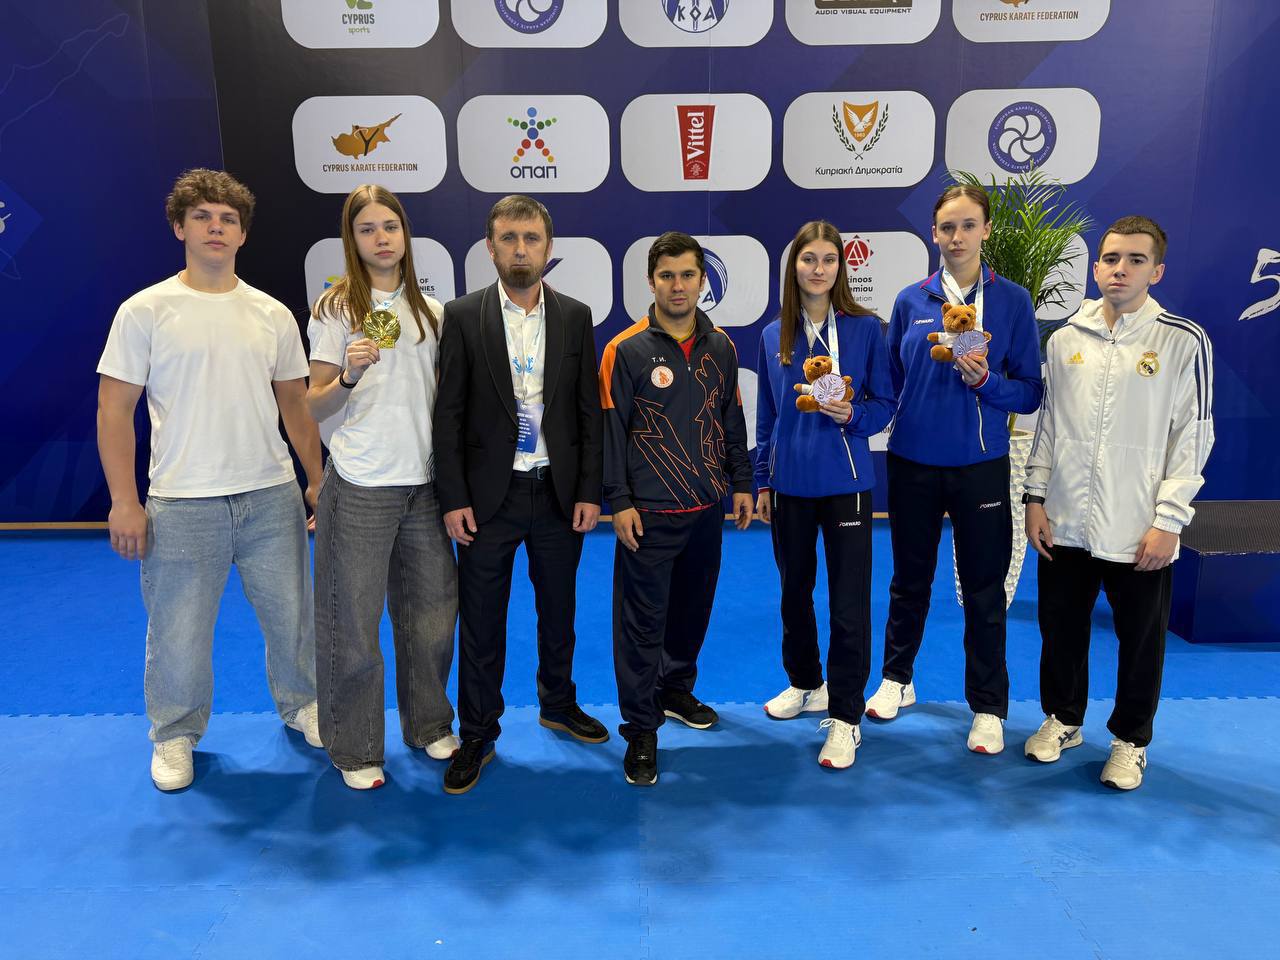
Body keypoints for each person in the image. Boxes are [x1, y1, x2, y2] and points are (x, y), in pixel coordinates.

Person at [96, 168, 323, 791]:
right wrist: (123, 500)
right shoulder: (144, 311)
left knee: (292, 617)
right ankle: (174, 733)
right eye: (202, 217)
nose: (215, 228)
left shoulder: (271, 314)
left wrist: (315, 477)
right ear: (180, 227)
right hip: (181, 500)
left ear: (243, 234)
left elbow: (296, 405)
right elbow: (114, 410)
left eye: (227, 219)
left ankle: (304, 703)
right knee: (178, 631)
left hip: (270, 494)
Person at [1022, 216, 1213, 790]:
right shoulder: (1065, 338)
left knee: (1141, 641)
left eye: (1135, 260)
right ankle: (1064, 719)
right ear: (1095, 266)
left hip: (1139, 526)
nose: (1119, 270)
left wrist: (1169, 520)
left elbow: (1193, 436)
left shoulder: (1182, 340)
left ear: (1157, 271)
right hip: (1066, 520)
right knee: (1060, 629)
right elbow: (1048, 427)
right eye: (1110, 258)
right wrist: (1035, 496)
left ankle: (1131, 740)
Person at [433, 194, 606, 795]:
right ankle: (478, 732)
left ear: (548, 247)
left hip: (557, 491)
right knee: (482, 622)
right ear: (490, 248)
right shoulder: (462, 315)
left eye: (531, 238)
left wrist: (590, 490)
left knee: (559, 612)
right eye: (508, 238)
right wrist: (453, 497)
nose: (520, 249)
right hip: (488, 497)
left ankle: (558, 703)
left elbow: (588, 412)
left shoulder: (576, 316)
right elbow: (448, 414)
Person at [870, 185, 1043, 754]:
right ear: (934, 233)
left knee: (984, 589)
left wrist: (987, 382)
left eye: (969, 225)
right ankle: (897, 679)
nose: (958, 236)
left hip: (981, 467)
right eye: (948, 227)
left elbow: (1030, 392)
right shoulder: (910, 300)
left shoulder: (1012, 301)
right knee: (908, 580)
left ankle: (988, 706)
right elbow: (890, 385)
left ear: (986, 230)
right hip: (913, 464)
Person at [305, 185, 458, 790]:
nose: (381, 238)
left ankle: (429, 723)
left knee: (432, 619)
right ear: (352, 239)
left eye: (389, 226)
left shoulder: (431, 311)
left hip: (423, 485)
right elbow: (314, 406)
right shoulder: (334, 309)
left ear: (405, 233)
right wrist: (348, 373)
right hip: (361, 484)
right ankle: (356, 747)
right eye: (367, 229)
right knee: (353, 625)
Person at [600, 231, 754, 786]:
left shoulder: (721, 347)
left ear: (702, 280)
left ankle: (675, 691)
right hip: (649, 514)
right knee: (642, 627)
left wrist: (742, 482)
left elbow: (730, 418)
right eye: (667, 275)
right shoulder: (625, 350)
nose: (678, 285)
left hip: (707, 508)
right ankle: (641, 729)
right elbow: (611, 432)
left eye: (688, 274)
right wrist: (619, 501)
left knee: (691, 614)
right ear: (651, 282)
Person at [754, 221, 895, 769]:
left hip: (847, 486)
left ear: (841, 267)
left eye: (829, 259)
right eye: (808, 259)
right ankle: (806, 681)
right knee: (794, 593)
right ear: (794, 266)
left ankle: (846, 716)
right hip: (789, 486)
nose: (818, 269)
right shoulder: (774, 334)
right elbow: (768, 415)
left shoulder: (865, 330)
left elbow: (885, 405)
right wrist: (763, 479)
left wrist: (853, 415)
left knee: (848, 603)